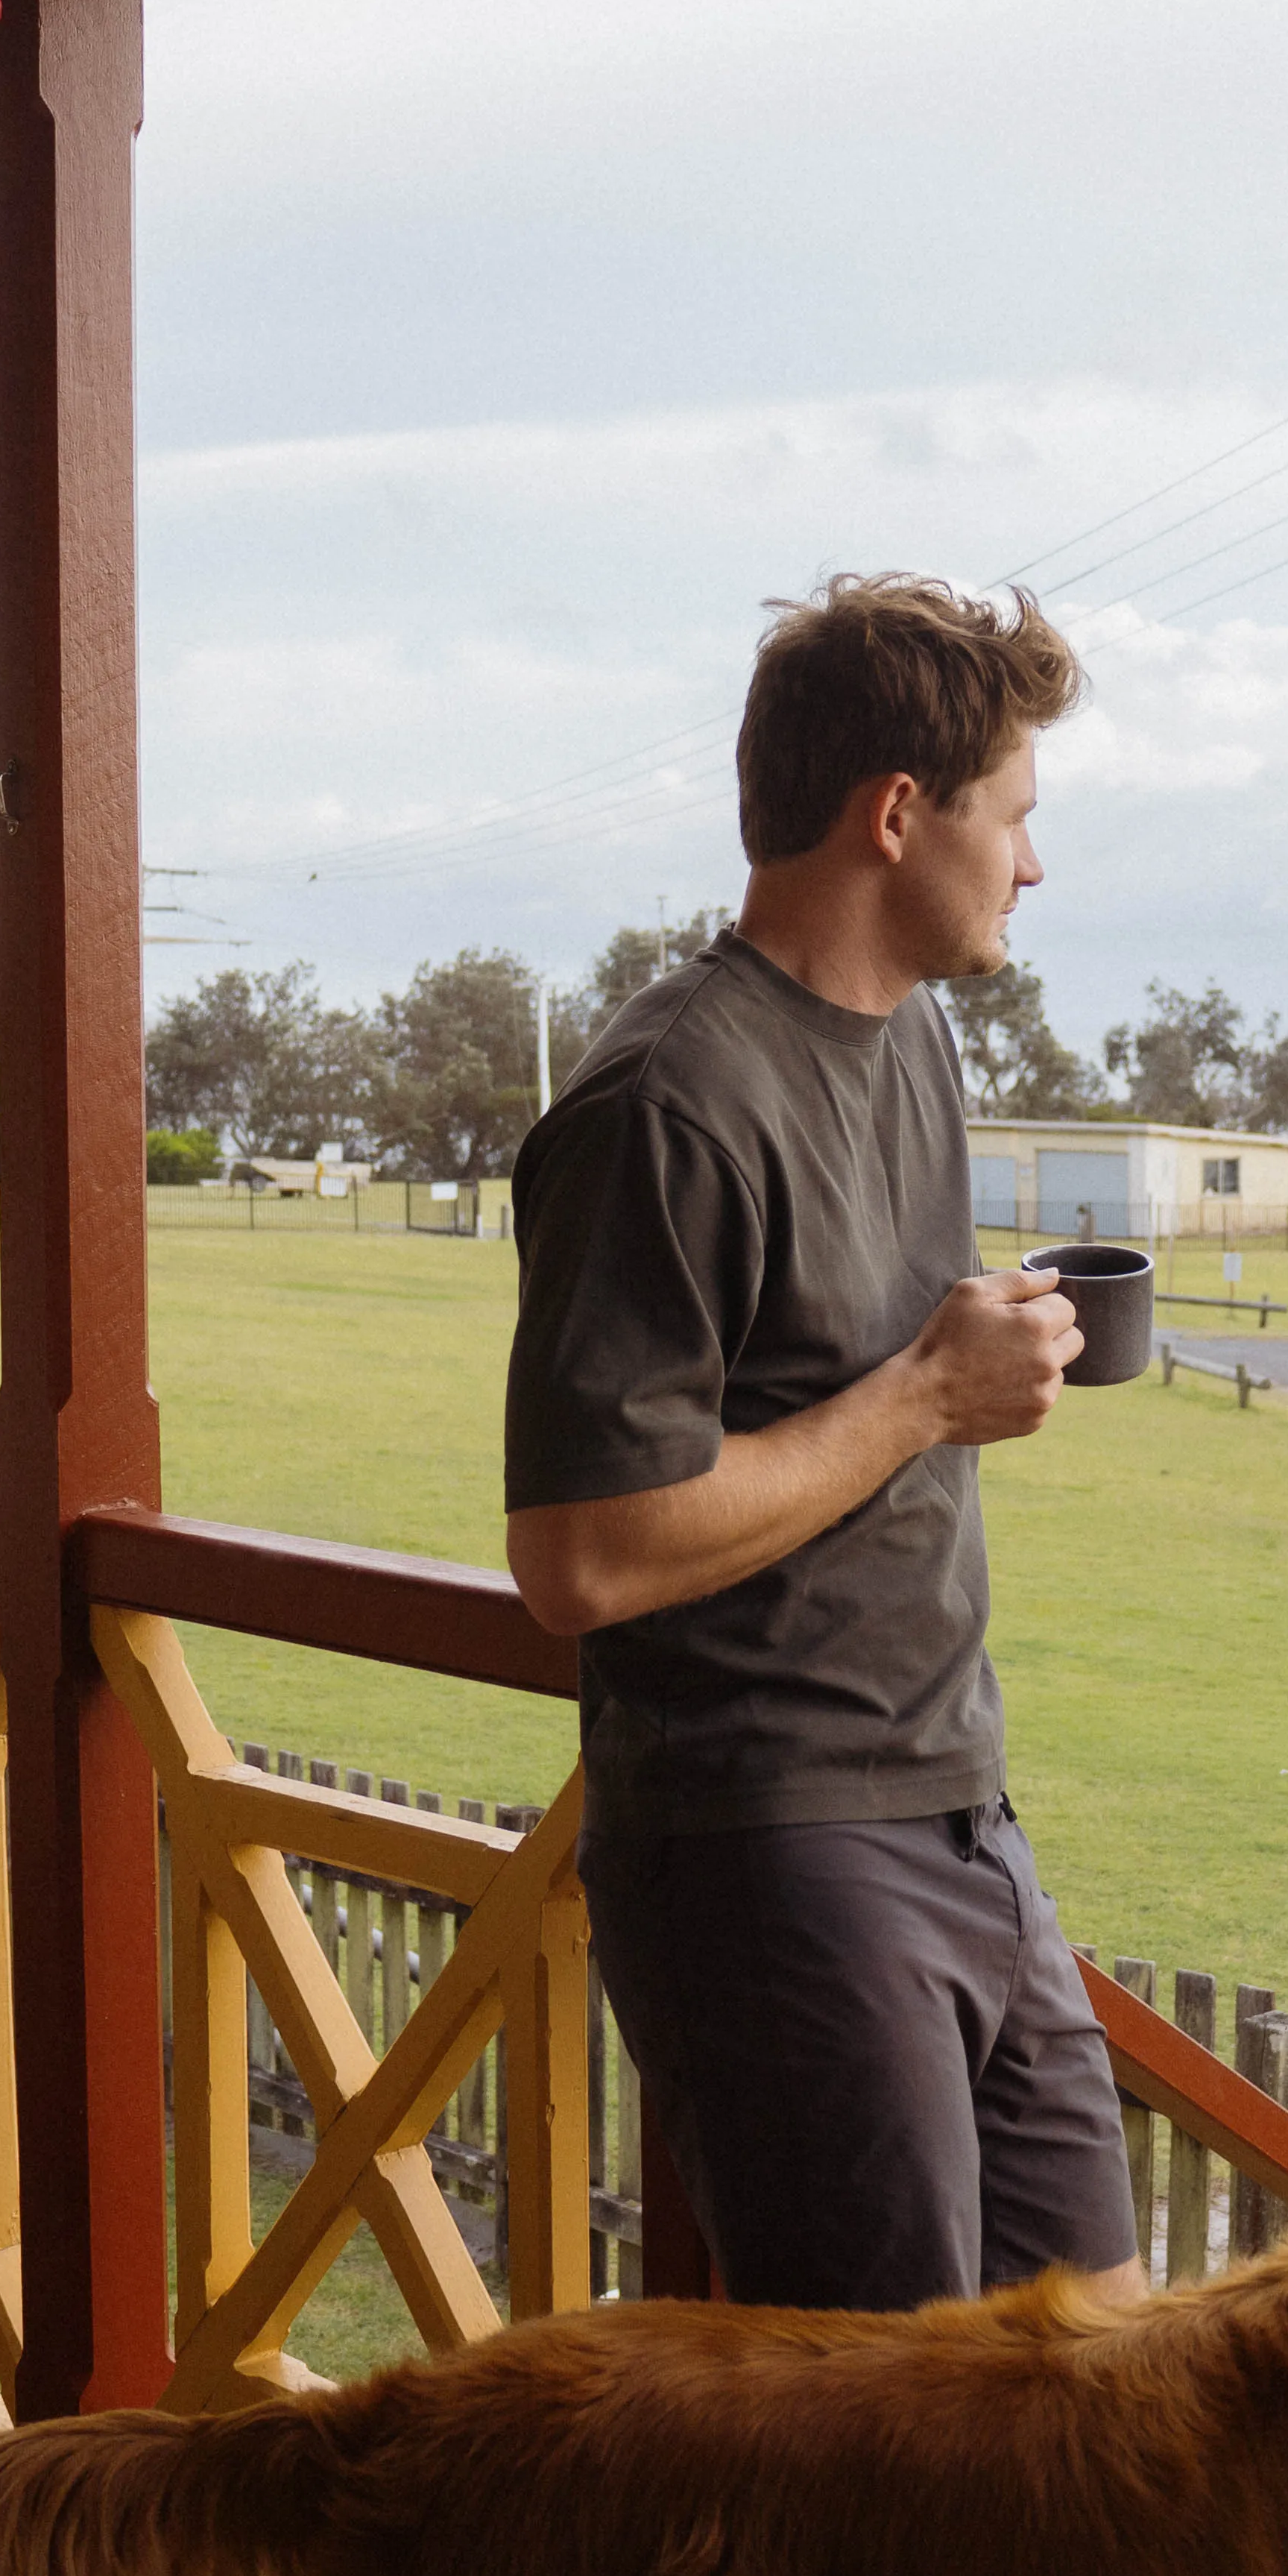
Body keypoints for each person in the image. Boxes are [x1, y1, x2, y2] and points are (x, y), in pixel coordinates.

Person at [503, 573, 1143, 2316]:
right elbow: (580, 1557)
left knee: (1108, 2402)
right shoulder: (665, 1107)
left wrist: (965, 1361)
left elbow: (848, 1377)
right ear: (896, 815)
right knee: (880, 2465)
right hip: (773, 1856)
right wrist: (924, 1399)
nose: (1031, 862)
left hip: (962, 1814)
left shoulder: (913, 1038)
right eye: (1016, 816)